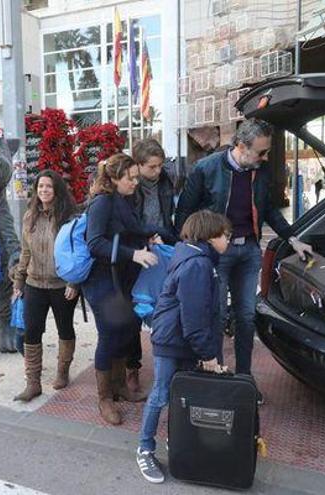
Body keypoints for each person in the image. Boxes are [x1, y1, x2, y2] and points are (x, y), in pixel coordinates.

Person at [175, 118, 313, 379]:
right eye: (261, 152)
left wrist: (293, 239)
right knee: (215, 316)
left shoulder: (260, 171)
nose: (265, 157)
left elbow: (269, 209)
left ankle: (243, 378)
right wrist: (189, 251)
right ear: (241, 146)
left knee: (247, 317)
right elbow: (184, 213)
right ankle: (217, 375)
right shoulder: (205, 169)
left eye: (268, 151)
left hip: (249, 252)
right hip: (216, 254)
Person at [136, 209, 230, 484]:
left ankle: (176, 441)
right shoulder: (197, 265)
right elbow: (194, 317)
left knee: (180, 394)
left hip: (180, 337)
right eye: (225, 236)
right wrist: (209, 355)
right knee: (162, 393)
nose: (229, 241)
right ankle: (144, 447)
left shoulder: (195, 257)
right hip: (173, 340)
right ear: (210, 236)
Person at [84, 153, 168, 425]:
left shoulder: (124, 200)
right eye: (129, 178)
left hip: (122, 280)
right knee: (109, 335)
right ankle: (104, 398)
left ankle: (120, 386)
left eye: (135, 177)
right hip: (103, 281)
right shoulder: (102, 203)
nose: (135, 182)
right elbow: (95, 243)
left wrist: (149, 236)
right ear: (114, 179)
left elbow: (132, 229)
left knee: (125, 331)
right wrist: (133, 254)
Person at [11, 170, 79, 402]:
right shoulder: (29, 216)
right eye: (40, 187)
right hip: (34, 284)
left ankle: (62, 372)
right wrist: (19, 281)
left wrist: (74, 281)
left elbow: (77, 252)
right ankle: (33, 383)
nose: (44, 191)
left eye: (48, 186)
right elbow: (25, 251)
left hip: (62, 285)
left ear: (57, 189)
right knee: (31, 331)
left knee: (65, 329)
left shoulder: (69, 217)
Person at [126, 138, 178, 394]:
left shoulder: (167, 180)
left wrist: (168, 237)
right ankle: (132, 368)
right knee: (134, 312)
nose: (158, 171)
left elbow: (170, 215)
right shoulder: (129, 186)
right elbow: (127, 223)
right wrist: (145, 236)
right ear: (138, 166)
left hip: (162, 247)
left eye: (160, 165)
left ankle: (167, 366)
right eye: (152, 167)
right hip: (136, 252)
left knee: (164, 309)